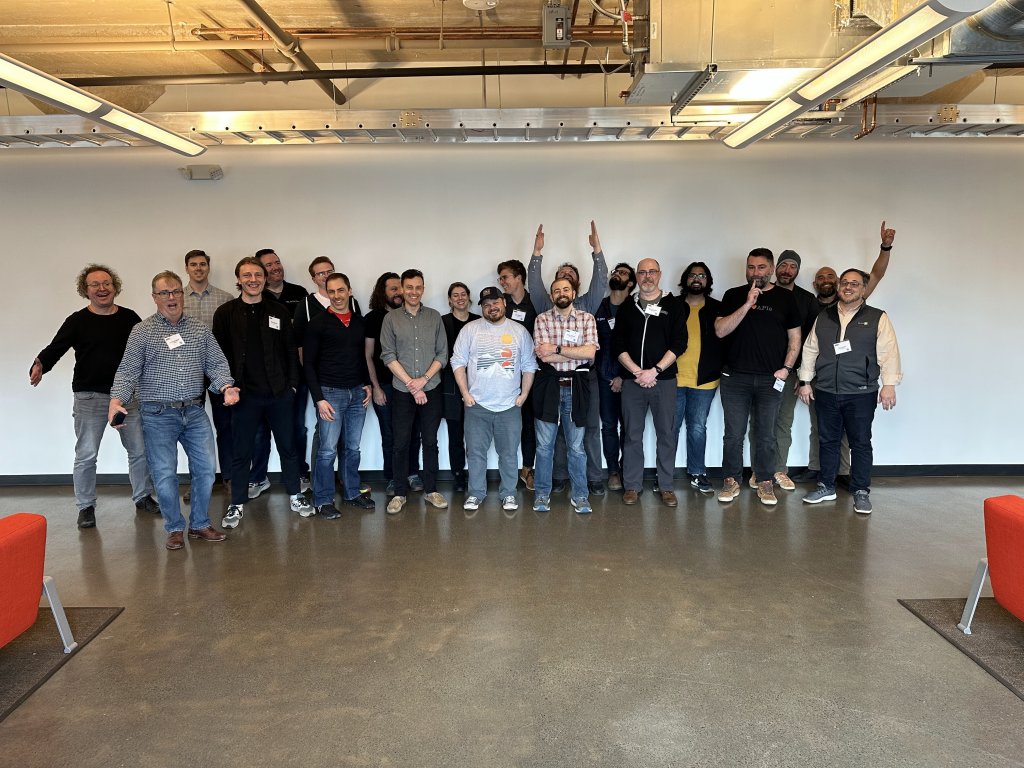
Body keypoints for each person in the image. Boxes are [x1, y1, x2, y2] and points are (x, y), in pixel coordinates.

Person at [109, 271, 237, 551]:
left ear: (182, 294)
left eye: (176, 291)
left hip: (193, 411)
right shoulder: (142, 332)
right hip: (157, 414)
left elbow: (216, 365)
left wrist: (226, 386)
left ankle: (200, 523)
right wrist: (116, 400)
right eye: (164, 293)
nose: (171, 297)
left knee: (205, 471)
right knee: (165, 474)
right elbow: (128, 371)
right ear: (154, 297)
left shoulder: (200, 330)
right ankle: (175, 528)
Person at [30, 263, 157, 529]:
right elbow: (57, 347)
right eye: (95, 285)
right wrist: (41, 363)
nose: (102, 288)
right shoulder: (77, 320)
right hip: (90, 397)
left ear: (115, 287)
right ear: (85, 290)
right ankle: (86, 506)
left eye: (107, 283)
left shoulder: (129, 318)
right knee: (86, 454)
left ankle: (143, 496)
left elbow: (145, 350)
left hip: (127, 396)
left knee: (139, 451)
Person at [791, 222, 897, 484]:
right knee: (823, 431)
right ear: (817, 283)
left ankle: (847, 476)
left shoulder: (868, 311)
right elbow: (810, 346)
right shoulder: (814, 307)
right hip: (823, 379)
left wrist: (885, 247)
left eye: (834, 278)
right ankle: (822, 475)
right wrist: (804, 379)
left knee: (855, 436)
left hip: (858, 385)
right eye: (822, 278)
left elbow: (876, 274)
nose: (834, 283)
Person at [212, 258, 312, 529]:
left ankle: (295, 495)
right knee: (242, 450)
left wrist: (292, 385)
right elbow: (218, 356)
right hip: (244, 396)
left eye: (258, 274)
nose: (253, 279)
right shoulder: (225, 313)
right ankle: (237, 503)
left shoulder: (278, 311)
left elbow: (291, 351)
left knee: (288, 447)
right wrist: (226, 386)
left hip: (279, 393)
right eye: (247, 275)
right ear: (239, 279)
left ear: (265, 278)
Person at [798, 268, 902, 515]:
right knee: (828, 441)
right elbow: (811, 349)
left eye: (854, 284)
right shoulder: (824, 316)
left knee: (861, 443)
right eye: (845, 282)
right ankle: (826, 486)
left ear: (863, 289)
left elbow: (889, 352)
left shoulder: (878, 317)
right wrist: (804, 381)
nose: (848, 287)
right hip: (825, 391)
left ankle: (861, 491)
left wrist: (889, 385)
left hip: (861, 392)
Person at [714, 248, 801, 507]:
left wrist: (786, 369)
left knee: (766, 435)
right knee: (733, 434)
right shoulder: (733, 295)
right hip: (734, 378)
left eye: (761, 267)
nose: (756, 272)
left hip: (769, 380)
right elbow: (720, 330)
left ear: (771, 268)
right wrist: (746, 304)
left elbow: (794, 339)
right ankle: (731, 480)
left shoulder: (786, 298)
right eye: (751, 267)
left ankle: (765, 482)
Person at [531, 223, 609, 496]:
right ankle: (560, 476)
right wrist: (537, 253)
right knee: (557, 433)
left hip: (583, 378)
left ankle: (594, 477)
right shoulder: (545, 310)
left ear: (575, 288)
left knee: (587, 429)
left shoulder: (587, 306)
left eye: (570, 278)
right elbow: (534, 285)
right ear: (553, 292)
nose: (564, 282)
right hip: (553, 381)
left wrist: (596, 249)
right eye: (559, 279)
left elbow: (602, 280)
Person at [451, 287, 538, 512]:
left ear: (504, 302)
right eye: (486, 304)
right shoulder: (470, 330)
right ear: (481, 307)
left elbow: (529, 365)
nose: (492, 307)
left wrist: (524, 395)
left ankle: (509, 493)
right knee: (476, 453)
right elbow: (457, 362)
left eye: (496, 302)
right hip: (477, 405)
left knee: (508, 454)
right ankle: (476, 494)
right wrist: (465, 393)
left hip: (509, 405)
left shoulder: (519, 331)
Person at [612, 258, 688, 507]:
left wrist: (654, 371)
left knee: (666, 434)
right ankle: (632, 485)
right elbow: (618, 345)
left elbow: (679, 344)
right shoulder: (626, 307)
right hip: (633, 382)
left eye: (651, 272)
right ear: (637, 276)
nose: (647, 276)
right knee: (632, 434)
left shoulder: (674, 306)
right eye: (642, 272)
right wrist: (637, 372)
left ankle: (666, 486)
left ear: (660, 274)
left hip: (663, 381)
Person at [304, 272, 375, 518]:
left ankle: (352, 493)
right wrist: (318, 399)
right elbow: (309, 365)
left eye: (340, 290)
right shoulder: (318, 323)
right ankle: (322, 500)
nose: (336, 296)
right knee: (327, 450)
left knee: (352, 448)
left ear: (349, 291)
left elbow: (361, 358)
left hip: (357, 393)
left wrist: (367, 384)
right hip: (330, 394)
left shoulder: (358, 322)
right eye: (331, 291)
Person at [380, 269, 449, 514]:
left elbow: (443, 354)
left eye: (418, 287)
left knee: (430, 441)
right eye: (409, 287)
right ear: (402, 288)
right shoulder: (391, 319)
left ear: (423, 288)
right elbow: (388, 355)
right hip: (402, 390)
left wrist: (424, 380)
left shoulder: (434, 317)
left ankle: (431, 490)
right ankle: (399, 493)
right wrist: (412, 383)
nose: (413, 292)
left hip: (431, 388)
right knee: (401, 443)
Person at [248, 248, 312, 498]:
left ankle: (298, 473)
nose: (275, 268)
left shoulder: (299, 294)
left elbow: (305, 336)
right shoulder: (253, 296)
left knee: (297, 427)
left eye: (277, 263)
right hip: (261, 379)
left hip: (294, 375)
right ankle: (258, 478)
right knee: (260, 430)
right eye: (269, 265)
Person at [531, 278, 598, 515]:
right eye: (556, 290)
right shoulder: (542, 320)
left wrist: (557, 349)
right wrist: (574, 354)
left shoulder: (586, 318)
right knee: (544, 446)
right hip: (548, 386)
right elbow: (543, 357)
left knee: (577, 447)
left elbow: (590, 353)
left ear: (574, 293)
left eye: (565, 289)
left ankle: (580, 496)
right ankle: (541, 494)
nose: (561, 293)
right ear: (551, 296)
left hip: (577, 387)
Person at [364, 271, 423, 496]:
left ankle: (412, 473)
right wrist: (376, 387)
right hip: (386, 387)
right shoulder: (373, 319)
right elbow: (369, 355)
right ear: (383, 292)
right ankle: (392, 477)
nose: (399, 293)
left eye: (401, 288)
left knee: (413, 432)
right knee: (390, 434)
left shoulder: (411, 316)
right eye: (393, 289)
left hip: (411, 386)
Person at [182, 249, 235, 488]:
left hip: (217, 369)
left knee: (225, 424)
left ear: (208, 267)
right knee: (192, 428)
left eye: (202, 264)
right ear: (187, 268)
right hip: (188, 371)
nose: (198, 268)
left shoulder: (225, 299)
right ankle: (199, 482)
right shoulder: (178, 298)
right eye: (193, 264)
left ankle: (229, 477)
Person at [673, 262, 723, 495]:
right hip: (672, 378)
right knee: (670, 428)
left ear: (707, 281)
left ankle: (697, 472)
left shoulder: (717, 308)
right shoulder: (671, 305)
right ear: (685, 279)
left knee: (697, 427)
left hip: (705, 381)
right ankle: (664, 476)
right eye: (693, 275)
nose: (697, 279)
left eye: (702, 275)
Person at [594, 262, 636, 492]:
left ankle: (627, 470)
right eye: (615, 272)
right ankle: (612, 472)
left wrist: (622, 375)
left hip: (630, 378)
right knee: (609, 426)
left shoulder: (636, 308)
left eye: (623, 273)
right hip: (602, 377)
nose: (617, 275)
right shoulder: (599, 307)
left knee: (630, 427)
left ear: (630, 283)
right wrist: (607, 375)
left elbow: (640, 346)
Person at [498, 258, 538, 490]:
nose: (502, 282)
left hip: (533, 372)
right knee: (508, 423)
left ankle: (528, 468)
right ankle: (508, 471)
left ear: (519, 278)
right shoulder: (501, 304)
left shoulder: (536, 301)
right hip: (505, 373)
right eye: (500, 278)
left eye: (505, 277)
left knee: (531, 422)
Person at [441, 282, 480, 492]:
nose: (460, 298)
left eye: (463, 294)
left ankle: (476, 473)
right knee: (455, 434)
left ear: (469, 297)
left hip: (477, 384)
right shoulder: (442, 322)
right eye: (455, 295)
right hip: (450, 386)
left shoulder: (479, 321)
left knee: (475, 433)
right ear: (450, 300)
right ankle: (458, 475)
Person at [528, 221, 610, 315]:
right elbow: (534, 283)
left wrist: (596, 247)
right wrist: (537, 250)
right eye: (562, 272)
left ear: (578, 281)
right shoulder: (545, 303)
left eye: (571, 272)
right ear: (555, 282)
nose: (567, 274)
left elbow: (600, 281)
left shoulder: (587, 303)